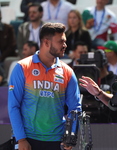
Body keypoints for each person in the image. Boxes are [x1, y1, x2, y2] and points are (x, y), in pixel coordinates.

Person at [8, 22, 82, 150]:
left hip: (57, 140)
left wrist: (70, 137)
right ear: (46, 43)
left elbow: (75, 108)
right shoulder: (22, 67)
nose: (65, 45)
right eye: (61, 41)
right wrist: (21, 139)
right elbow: (13, 106)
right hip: (27, 139)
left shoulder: (68, 72)